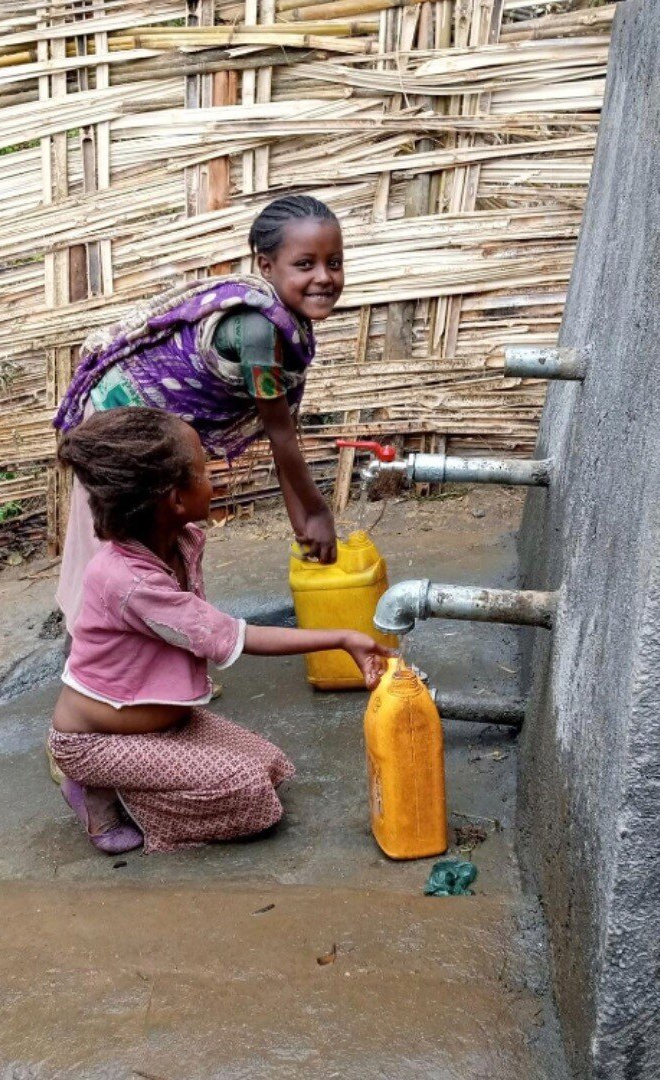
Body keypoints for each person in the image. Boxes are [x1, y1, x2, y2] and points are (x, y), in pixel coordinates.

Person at [49, 408, 392, 855]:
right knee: (249, 796)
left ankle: (130, 785)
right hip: (94, 744)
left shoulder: (183, 540)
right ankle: (104, 793)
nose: (217, 476)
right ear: (174, 499)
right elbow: (233, 636)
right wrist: (343, 637)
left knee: (271, 767)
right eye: (205, 469)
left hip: (165, 726)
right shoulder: (128, 581)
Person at [53, 194, 345, 637]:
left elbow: (283, 438)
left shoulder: (287, 327)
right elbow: (281, 437)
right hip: (120, 414)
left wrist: (303, 529)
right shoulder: (258, 332)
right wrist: (318, 515)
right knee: (126, 544)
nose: (324, 277)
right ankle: (101, 650)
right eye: (305, 264)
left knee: (167, 534)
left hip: (155, 422)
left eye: (334, 263)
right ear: (266, 267)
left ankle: (158, 648)